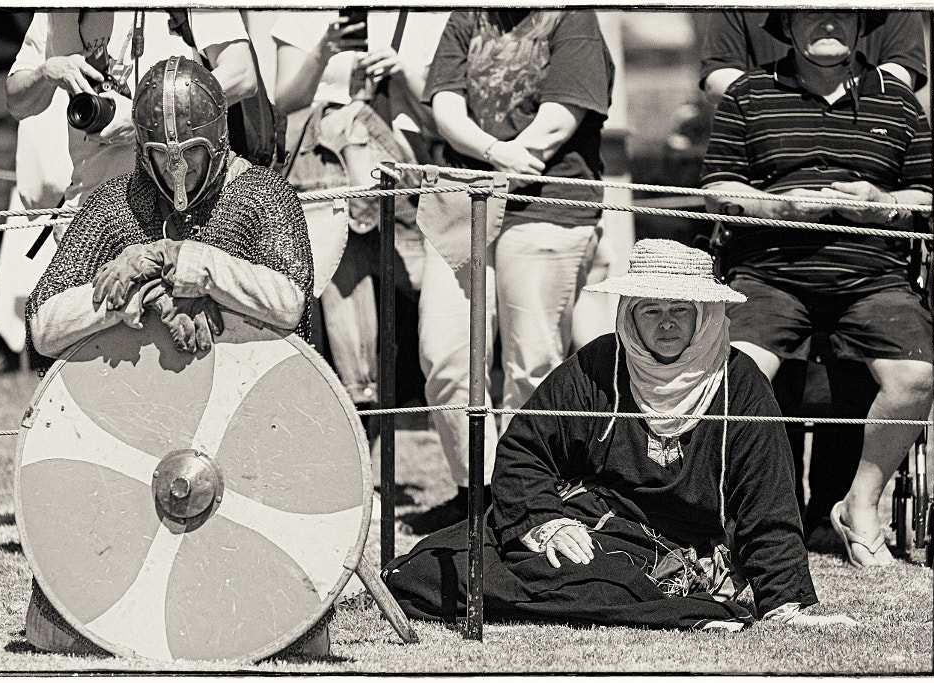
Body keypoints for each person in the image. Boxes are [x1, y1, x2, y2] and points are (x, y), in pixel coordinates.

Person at [384, 239, 856, 630]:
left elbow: (767, 500)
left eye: (680, 309)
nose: (667, 323)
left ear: (704, 314)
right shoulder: (598, 365)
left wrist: (783, 600)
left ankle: (682, 607)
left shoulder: (740, 381)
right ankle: (659, 610)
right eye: (651, 310)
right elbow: (525, 449)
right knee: (436, 566)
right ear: (629, 314)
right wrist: (548, 522)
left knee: (600, 579)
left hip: (677, 547)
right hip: (590, 522)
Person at [23, 56, 315, 654]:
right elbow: (43, 326)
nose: (176, 172)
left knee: (274, 629)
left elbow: (289, 305)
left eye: (191, 155)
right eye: (163, 156)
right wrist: (119, 300)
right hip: (133, 429)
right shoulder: (113, 205)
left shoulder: (264, 197)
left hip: (248, 432)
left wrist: (191, 262)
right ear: (143, 149)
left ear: (219, 141)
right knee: (64, 635)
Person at [700, 10, 934, 568]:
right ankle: (751, 516)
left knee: (916, 378)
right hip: (769, 272)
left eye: (840, 15)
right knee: (735, 375)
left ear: (859, 28)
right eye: (811, 15)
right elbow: (717, 187)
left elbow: (928, 196)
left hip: (873, 275)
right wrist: (781, 207)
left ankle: (860, 507)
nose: (826, 24)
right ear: (788, 27)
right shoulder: (750, 92)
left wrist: (879, 202)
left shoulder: (900, 102)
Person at [407, 9, 614, 533]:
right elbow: (445, 105)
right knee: (446, 356)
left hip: (548, 206)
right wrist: (495, 152)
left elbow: (559, 120)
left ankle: (528, 500)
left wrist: (512, 157)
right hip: (463, 203)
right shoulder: (467, 17)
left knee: (533, 365)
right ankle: (477, 497)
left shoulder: (573, 20)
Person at [271, 9, 447, 412]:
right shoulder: (302, 12)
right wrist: (323, 51)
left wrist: (403, 72)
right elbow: (286, 100)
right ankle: (360, 445)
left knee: (426, 315)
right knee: (345, 319)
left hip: (407, 185)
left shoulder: (429, 16)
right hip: (327, 179)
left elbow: (445, 118)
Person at [6, 9, 257, 241]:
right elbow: (18, 103)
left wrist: (144, 116)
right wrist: (47, 72)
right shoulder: (55, 11)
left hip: (180, 215)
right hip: (88, 216)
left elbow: (242, 74)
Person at [699, 9, 927, 103]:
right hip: (768, 153)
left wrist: (835, 107)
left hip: (869, 145)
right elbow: (718, 76)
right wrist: (788, 112)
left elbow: (902, 72)